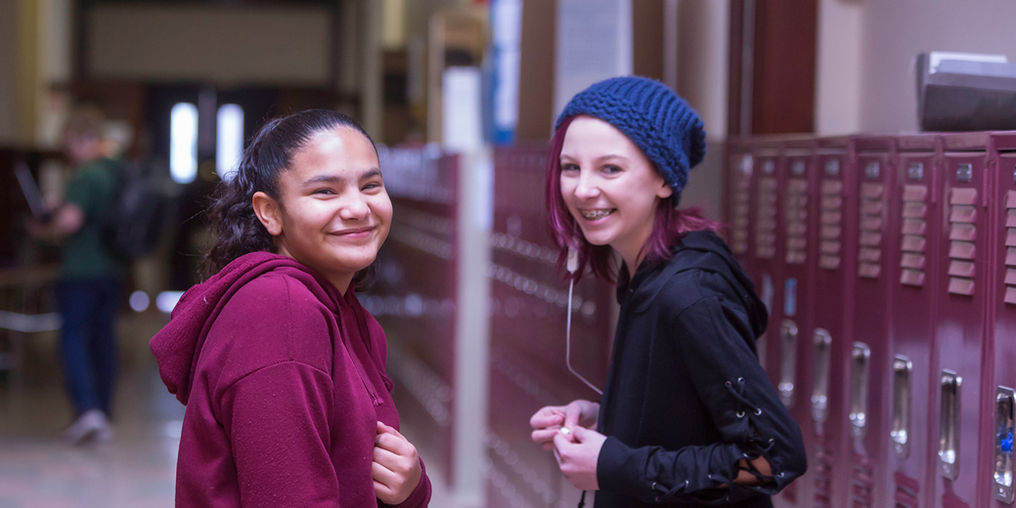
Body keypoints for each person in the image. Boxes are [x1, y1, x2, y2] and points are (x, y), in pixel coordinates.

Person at [529, 76, 807, 507]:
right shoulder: (646, 272)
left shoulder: (688, 295)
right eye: (571, 167)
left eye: (610, 168)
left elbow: (772, 456)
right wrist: (609, 420)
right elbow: (691, 422)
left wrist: (616, 465)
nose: (582, 189)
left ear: (663, 179)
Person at [149, 109, 431, 507]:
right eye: (325, 191)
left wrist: (411, 486)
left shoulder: (349, 315)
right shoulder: (279, 311)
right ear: (270, 212)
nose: (358, 208)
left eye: (370, 185)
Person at [26, 105, 123, 444]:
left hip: (80, 270)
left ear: (79, 138)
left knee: (73, 339)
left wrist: (42, 228)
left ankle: (86, 410)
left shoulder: (86, 175)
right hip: (111, 269)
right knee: (103, 341)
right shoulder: (115, 170)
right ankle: (104, 410)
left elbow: (70, 222)